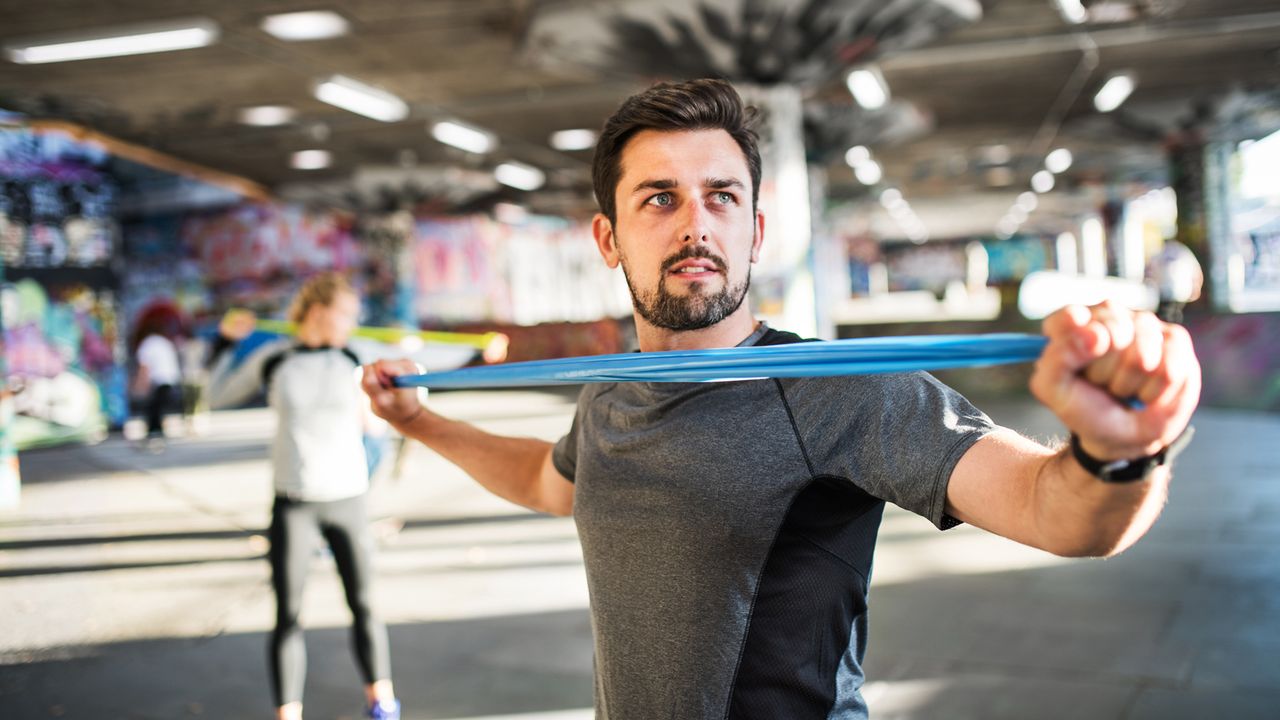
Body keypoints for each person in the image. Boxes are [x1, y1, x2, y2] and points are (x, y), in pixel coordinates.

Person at [362, 80, 1201, 719]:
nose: (697, 223)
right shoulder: (616, 391)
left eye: (722, 196)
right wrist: (421, 420)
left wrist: (1121, 450)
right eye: (660, 197)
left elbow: (1058, 511)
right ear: (608, 237)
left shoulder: (837, 389)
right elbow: (551, 482)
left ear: (755, 230)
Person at [208, 273, 400, 720]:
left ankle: (383, 704)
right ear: (317, 311)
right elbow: (216, 395)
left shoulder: (356, 357)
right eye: (346, 314)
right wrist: (223, 341)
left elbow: (385, 417)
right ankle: (288, 714)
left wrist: (401, 389)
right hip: (294, 502)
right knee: (288, 616)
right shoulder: (275, 358)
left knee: (365, 605)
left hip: (348, 498)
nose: (352, 324)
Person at [133, 325, 182, 451]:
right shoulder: (164, 342)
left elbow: (145, 367)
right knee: (158, 408)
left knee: (153, 409)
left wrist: (140, 385)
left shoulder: (147, 344)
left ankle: (154, 434)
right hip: (171, 378)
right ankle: (157, 432)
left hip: (159, 379)